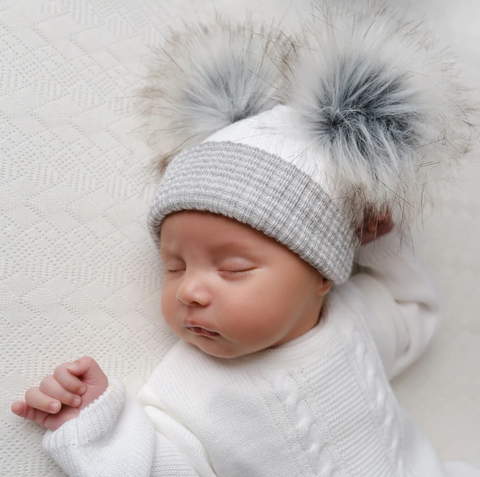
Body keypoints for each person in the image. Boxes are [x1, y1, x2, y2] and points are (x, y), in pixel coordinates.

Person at [10, 1, 480, 475]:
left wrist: (376, 240)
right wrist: (95, 426)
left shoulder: (357, 318)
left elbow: (416, 311)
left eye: (233, 268)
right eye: (174, 266)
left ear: (323, 273)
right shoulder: (193, 387)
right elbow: (163, 466)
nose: (189, 290)